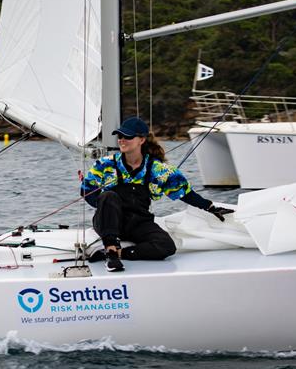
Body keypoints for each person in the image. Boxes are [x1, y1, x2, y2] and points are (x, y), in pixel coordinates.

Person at [81, 116, 234, 272]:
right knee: (108, 196)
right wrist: (104, 207)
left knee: (166, 246)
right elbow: (86, 189)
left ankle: (120, 253)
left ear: (141, 140)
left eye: (127, 136)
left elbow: (185, 192)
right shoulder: (105, 164)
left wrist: (210, 207)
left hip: (138, 223)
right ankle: (111, 252)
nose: (122, 140)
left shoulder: (157, 169)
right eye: (120, 136)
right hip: (109, 221)